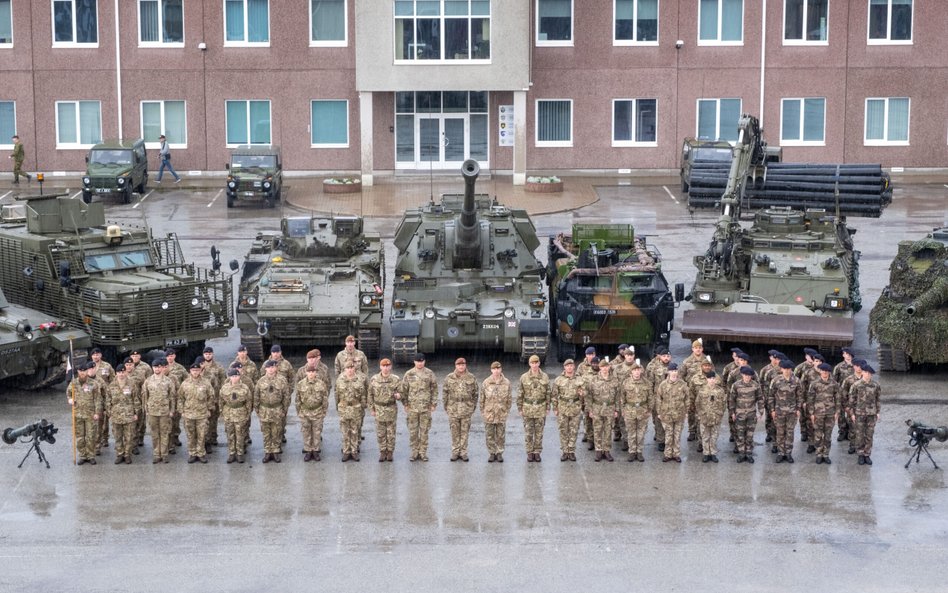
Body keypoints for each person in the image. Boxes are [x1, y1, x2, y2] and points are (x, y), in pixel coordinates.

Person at [397, 353, 438, 462]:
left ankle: (423, 453)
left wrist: (433, 404)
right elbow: (404, 390)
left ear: (424, 361)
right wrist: (405, 404)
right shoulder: (409, 374)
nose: (420, 363)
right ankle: (414, 452)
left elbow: (434, 389)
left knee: (424, 431)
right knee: (413, 432)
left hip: (425, 408)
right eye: (418, 361)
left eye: (422, 361)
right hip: (412, 408)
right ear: (414, 362)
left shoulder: (429, 373)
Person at [141, 358, 177, 464]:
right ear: (152, 368)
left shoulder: (168, 381)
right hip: (152, 411)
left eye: (159, 367)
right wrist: (146, 409)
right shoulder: (148, 381)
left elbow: (172, 397)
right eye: (155, 367)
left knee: (165, 433)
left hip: (164, 411)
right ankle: (157, 454)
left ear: (162, 368)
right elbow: (144, 396)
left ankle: (164, 454)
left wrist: (172, 410)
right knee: (155, 434)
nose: (157, 369)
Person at [68, 362, 104, 465]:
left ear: (87, 371)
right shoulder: (73, 383)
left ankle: (90, 455)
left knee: (91, 436)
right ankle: (82, 455)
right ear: (78, 371)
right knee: (80, 436)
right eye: (80, 371)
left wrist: (97, 412)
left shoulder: (93, 384)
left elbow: (98, 399)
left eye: (84, 371)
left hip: (90, 414)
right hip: (78, 413)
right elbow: (68, 393)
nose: (82, 373)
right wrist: (70, 399)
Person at [442, 358, 478, 462]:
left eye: (463, 365)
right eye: (459, 365)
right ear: (455, 366)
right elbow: (445, 393)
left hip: (466, 408)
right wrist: (446, 406)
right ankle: (455, 451)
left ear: (465, 365)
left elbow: (475, 393)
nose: (461, 367)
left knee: (465, 431)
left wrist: (472, 406)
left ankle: (463, 452)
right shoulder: (449, 377)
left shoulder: (471, 377)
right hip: (453, 407)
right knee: (454, 431)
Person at [254, 360, 290, 463]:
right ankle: (267, 452)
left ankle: (275, 452)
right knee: (266, 433)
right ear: (265, 368)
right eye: (268, 367)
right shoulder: (261, 381)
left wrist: (284, 410)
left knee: (276, 432)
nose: (270, 369)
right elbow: (256, 396)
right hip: (264, 410)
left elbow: (286, 396)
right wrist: (258, 410)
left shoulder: (282, 380)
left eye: (273, 367)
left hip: (277, 410)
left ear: (276, 368)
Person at [518, 355, 551, 462]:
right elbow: (520, 393)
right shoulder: (524, 377)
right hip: (528, 408)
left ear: (539, 363)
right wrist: (520, 408)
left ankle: (537, 452)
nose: (535, 365)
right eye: (532, 363)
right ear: (529, 364)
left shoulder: (545, 377)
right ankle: (529, 452)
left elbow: (548, 393)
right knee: (528, 432)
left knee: (539, 432)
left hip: (540, 408)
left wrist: (548, 407)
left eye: (536, 363)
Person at [768, 359, 802, 463]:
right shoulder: (776, 380)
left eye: (788, 369)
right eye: (785, 369)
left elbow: (799, 396)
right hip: (779, 411)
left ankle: (788, 453)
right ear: (781, 369)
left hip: (792, 412)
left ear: (791, 369)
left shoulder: (796, 381)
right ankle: (781, 453)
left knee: (790, 433)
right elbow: (770, 396)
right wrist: (772, 409)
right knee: (780, 432)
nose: (787, 371)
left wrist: (798, 409)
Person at [105, 364, 140, 464]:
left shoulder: (132, 384)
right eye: (119, 372)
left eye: (123, 372)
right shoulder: (111, 386)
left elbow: (136, 399)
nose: (121, 374)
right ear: (116, 373)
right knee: (118, 437)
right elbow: (108, 401)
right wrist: (109, 413)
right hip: (116, 415)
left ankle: (127, 455)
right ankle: (120, 454)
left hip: (129, 415)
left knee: (129, 437)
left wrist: (136, 413)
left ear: (125, 372)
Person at [551, 359, 585, 462]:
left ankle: (571, 451)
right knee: (563, 430)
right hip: (563, 408)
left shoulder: (579, 379)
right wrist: (555, 408)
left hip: (575, 407)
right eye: (567, 366)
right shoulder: (559, 380)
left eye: (571, 365)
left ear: (574, 367)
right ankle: (565, 451)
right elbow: (554, 395)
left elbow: (584, 393)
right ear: (564, 367)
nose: (569, 367)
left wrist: (582, 393)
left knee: (574, 431)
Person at [729, 365, 763, 463]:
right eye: (746, 375)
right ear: (742, 375)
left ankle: (748, 453)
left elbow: (760, 398)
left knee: (749, 435)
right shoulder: (736, 385)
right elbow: (732, 399)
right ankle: (741, 453)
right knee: (740, 435)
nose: (747, 377)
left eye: (749, 376)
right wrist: (732, 412)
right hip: (739, 414)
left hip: (751, 414)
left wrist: (760, 412)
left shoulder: (755, 385)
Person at [368, 359, 401, 462]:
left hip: (391, 408)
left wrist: (399, 395)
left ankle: (390, 452)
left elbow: (401, 391)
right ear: (380, 367)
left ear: (390, 367)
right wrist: (372, 409)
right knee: (381, 432)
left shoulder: (395, 379)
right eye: (384, 366)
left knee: (391, 432)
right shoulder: (374, 379)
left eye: (388, 366)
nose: (386, 368)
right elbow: (370, 395)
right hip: (379, 408)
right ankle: (382, 452)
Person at [587, 359, 619, 462]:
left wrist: (617, 410)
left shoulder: (614, 380)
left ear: (609, 367)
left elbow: (618, 396)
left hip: (610, 408)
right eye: (603, 367)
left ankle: (607, 451)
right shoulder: (594, 380)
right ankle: (598, 451)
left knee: (608, 430)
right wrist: (590, 410)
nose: (605, 369)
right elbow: (589, 396)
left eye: (606, 366)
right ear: (599, 368)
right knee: (597, 430)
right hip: (597, 408)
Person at [296, 365, 330, 462]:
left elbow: (325, 399)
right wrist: (299, 411)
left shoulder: (321, 384)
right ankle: (308, 451)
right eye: (309, 372)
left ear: (316, 373)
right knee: (306, 432)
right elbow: (297, 400)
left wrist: (324, 412)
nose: (311, 374)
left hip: (317, 412)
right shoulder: (300, 384)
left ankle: (315, 450)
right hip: (305, 412)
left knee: (316, 432)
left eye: (313, 372)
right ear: (306, 372)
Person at [618, 361, 651, 462]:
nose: (637, 372)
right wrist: (623, 410)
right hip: (630, 411)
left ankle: (639, 452)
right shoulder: (626, 382)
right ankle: (632, 452)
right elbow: (622, 397)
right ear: (631, 372)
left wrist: (649, 410)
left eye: (638, 370)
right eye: (634, 370)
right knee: (631, 432)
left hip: (643, 411)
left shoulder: (647, 383)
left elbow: (650, 397)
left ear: (641, 371)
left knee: (641, 433)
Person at [656, 362, 689, 462]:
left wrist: (686, 411)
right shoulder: (663, 385)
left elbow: (687, 398)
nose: (674, 373)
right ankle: (668, 454)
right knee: (669, 435)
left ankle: (676, 454)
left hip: (679, 414)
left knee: (677, 435)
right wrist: (659, 412)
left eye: (675, 371)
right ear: (668, 372)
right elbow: (658, 399)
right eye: (672, 371)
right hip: (667, 414)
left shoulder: (683, 384)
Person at [336, 362, 368, 462]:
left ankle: (354, 451)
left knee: (354, 431)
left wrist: (363, 407)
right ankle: (346, 451)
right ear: (344, 369)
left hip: (356, 408)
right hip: (344, 408)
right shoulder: (340, 380)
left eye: (351, 367)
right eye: (348, 368)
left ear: (354, 368)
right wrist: (338, 406)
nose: (350, 369)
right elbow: (336, 394)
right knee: (345, 431)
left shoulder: (359, 380)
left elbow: (363, 395)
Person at [808, 362, 839, 464]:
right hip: (818, 413)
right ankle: (818, 454)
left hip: (830, 413)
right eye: (823, 371)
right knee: (818, 434)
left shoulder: (834, 384)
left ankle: (826, 454)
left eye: (827, 371)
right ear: (820, 371)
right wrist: (811, 413)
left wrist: (837, 412)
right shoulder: (815, 384)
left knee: (828, 435)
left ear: (829, 372)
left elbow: (838, 399)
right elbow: (810, 399)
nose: (825, 373)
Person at [480, 361, 511, 462]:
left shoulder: (506, 382)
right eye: (494, 369)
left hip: (501, 413)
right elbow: (482, 399)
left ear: (501, 369)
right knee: (489, 434)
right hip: (489, 413)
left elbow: (509, 399)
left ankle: (499, 453)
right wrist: (483, 411)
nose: (496, 371)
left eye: (498, 369)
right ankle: (492, 453)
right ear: (491, 370)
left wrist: (506, 411)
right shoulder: (486, 382)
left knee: (500, 435)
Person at [219, 368, 253, 463]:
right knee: (230, 434)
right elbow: (221, 401)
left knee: (240, 434)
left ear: (239, 376)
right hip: (228, 413)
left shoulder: (245, 387)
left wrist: (247, 413)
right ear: (229, 377)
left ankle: (240, 454)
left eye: (236, 376)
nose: (235, 378)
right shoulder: (224, 387)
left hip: (240, 413)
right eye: (233, 376)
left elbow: (249, 401)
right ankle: (231, 453)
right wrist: (222, 412)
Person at [850, 364, 881, 466]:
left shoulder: (875, 385)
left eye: (869, 373)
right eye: (866, 372)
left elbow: (878, 400)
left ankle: (867, 454)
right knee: (859, 434)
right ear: (862, 372)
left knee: (869, 435)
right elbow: (852, 401)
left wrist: (878, 412)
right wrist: (852, 413)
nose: (868, 375)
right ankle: (860, 454)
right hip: (859, 413)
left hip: (871, 414)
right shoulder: (856, 385)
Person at [695, 371, 727, 463]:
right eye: (710, 378)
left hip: (716, 417)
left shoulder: (720, 390)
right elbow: (698, 403)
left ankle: (713, 453)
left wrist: (720, 414)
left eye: (713, 378)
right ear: (706, 379)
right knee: (705, 436)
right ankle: (706, 453)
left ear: (715, 379)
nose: (712, 380)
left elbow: (724, 403)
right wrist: (701, 414)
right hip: (705, 417)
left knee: (714, 436)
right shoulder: (702, 390)